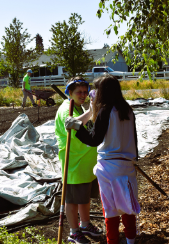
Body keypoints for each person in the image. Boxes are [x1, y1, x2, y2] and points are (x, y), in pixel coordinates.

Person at [66, 76, 139, 244]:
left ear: (103, 92)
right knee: (128, 207)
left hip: (108, 167)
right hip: (127, 165)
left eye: (96, 89)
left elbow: (94, 139)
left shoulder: (106, 110)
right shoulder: (127, 109)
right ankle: (130, 241)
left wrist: (78, 127)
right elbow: (134, 138)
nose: (93, 93)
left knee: (111, 210)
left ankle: (112, 241)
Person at [55, 77, 104, 243]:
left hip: (86, 165)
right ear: (70, 93)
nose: (83, 95)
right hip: (74, 165)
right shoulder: (66, 111)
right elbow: (74, 130)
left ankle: (85, 224)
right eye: (79, 92)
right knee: (73, 201)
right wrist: (91, 111)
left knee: (84, 198)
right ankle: (74, 231)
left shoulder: (77, 107)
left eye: (85, 91)